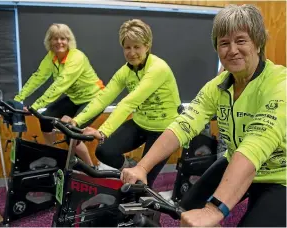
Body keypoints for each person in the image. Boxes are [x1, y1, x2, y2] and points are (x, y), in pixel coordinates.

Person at [121, 4, 286, 227]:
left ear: (257, 43)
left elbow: (256, 144)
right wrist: (142, 167)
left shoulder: (280, 84)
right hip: (234, 159)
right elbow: (184, 124)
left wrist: (213, 209)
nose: (232, 50)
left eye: (241, 40)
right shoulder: (216, 86)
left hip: (279, 175)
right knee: (186, 210)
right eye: (224, 43)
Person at [69, 19, 181, 187]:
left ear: (147, 45)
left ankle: (139, 190)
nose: (132, 52)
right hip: (140, 123)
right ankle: (130, 170)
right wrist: (76, 120)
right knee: (104, 150)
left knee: (143, 183)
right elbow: (103, 98)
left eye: (137, 47)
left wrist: (104, 131)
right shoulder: (125, 71)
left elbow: (129, 102)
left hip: (163, 129)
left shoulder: (158, 68)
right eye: (127, 47)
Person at [14, 23, 105, 166]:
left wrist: (35, 106)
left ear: (69, 41)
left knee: (72, 136)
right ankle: (53, 155)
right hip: (75, 99)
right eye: (55, 38)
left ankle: (91, 168)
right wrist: (18, 98)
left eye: (63, 38)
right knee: (45, 118)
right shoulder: (51, 57)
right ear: (49, 41)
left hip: (94, 99)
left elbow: (60, 85)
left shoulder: (77, 57)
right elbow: (37, 77)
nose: (59, 42)